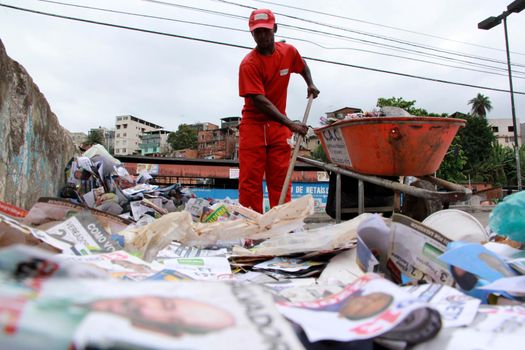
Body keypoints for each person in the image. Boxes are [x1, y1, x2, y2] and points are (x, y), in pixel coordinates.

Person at [238, 8, 320, 213]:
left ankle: (281, 226)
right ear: (252, 34)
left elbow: (302, 66)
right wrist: (290, 124)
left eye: (266, 30)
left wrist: (310, 83)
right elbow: (259, 100)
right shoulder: (249, 64)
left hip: (277, 127)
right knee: (250, 183)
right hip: (254, 125)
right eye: (257, 32)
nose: (262, 36)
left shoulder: (288, 52)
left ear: (274, 28)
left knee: (281, 180)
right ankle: (251, 231)